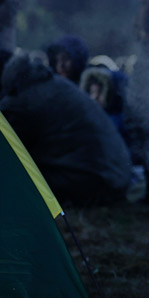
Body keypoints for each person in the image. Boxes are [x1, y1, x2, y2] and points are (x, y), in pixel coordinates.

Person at [0, 54, 131, 206]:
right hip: (114, 178)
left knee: (17, 181)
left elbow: (7, 152)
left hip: (95, 181)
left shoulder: (24, 101)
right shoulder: (58, 86)